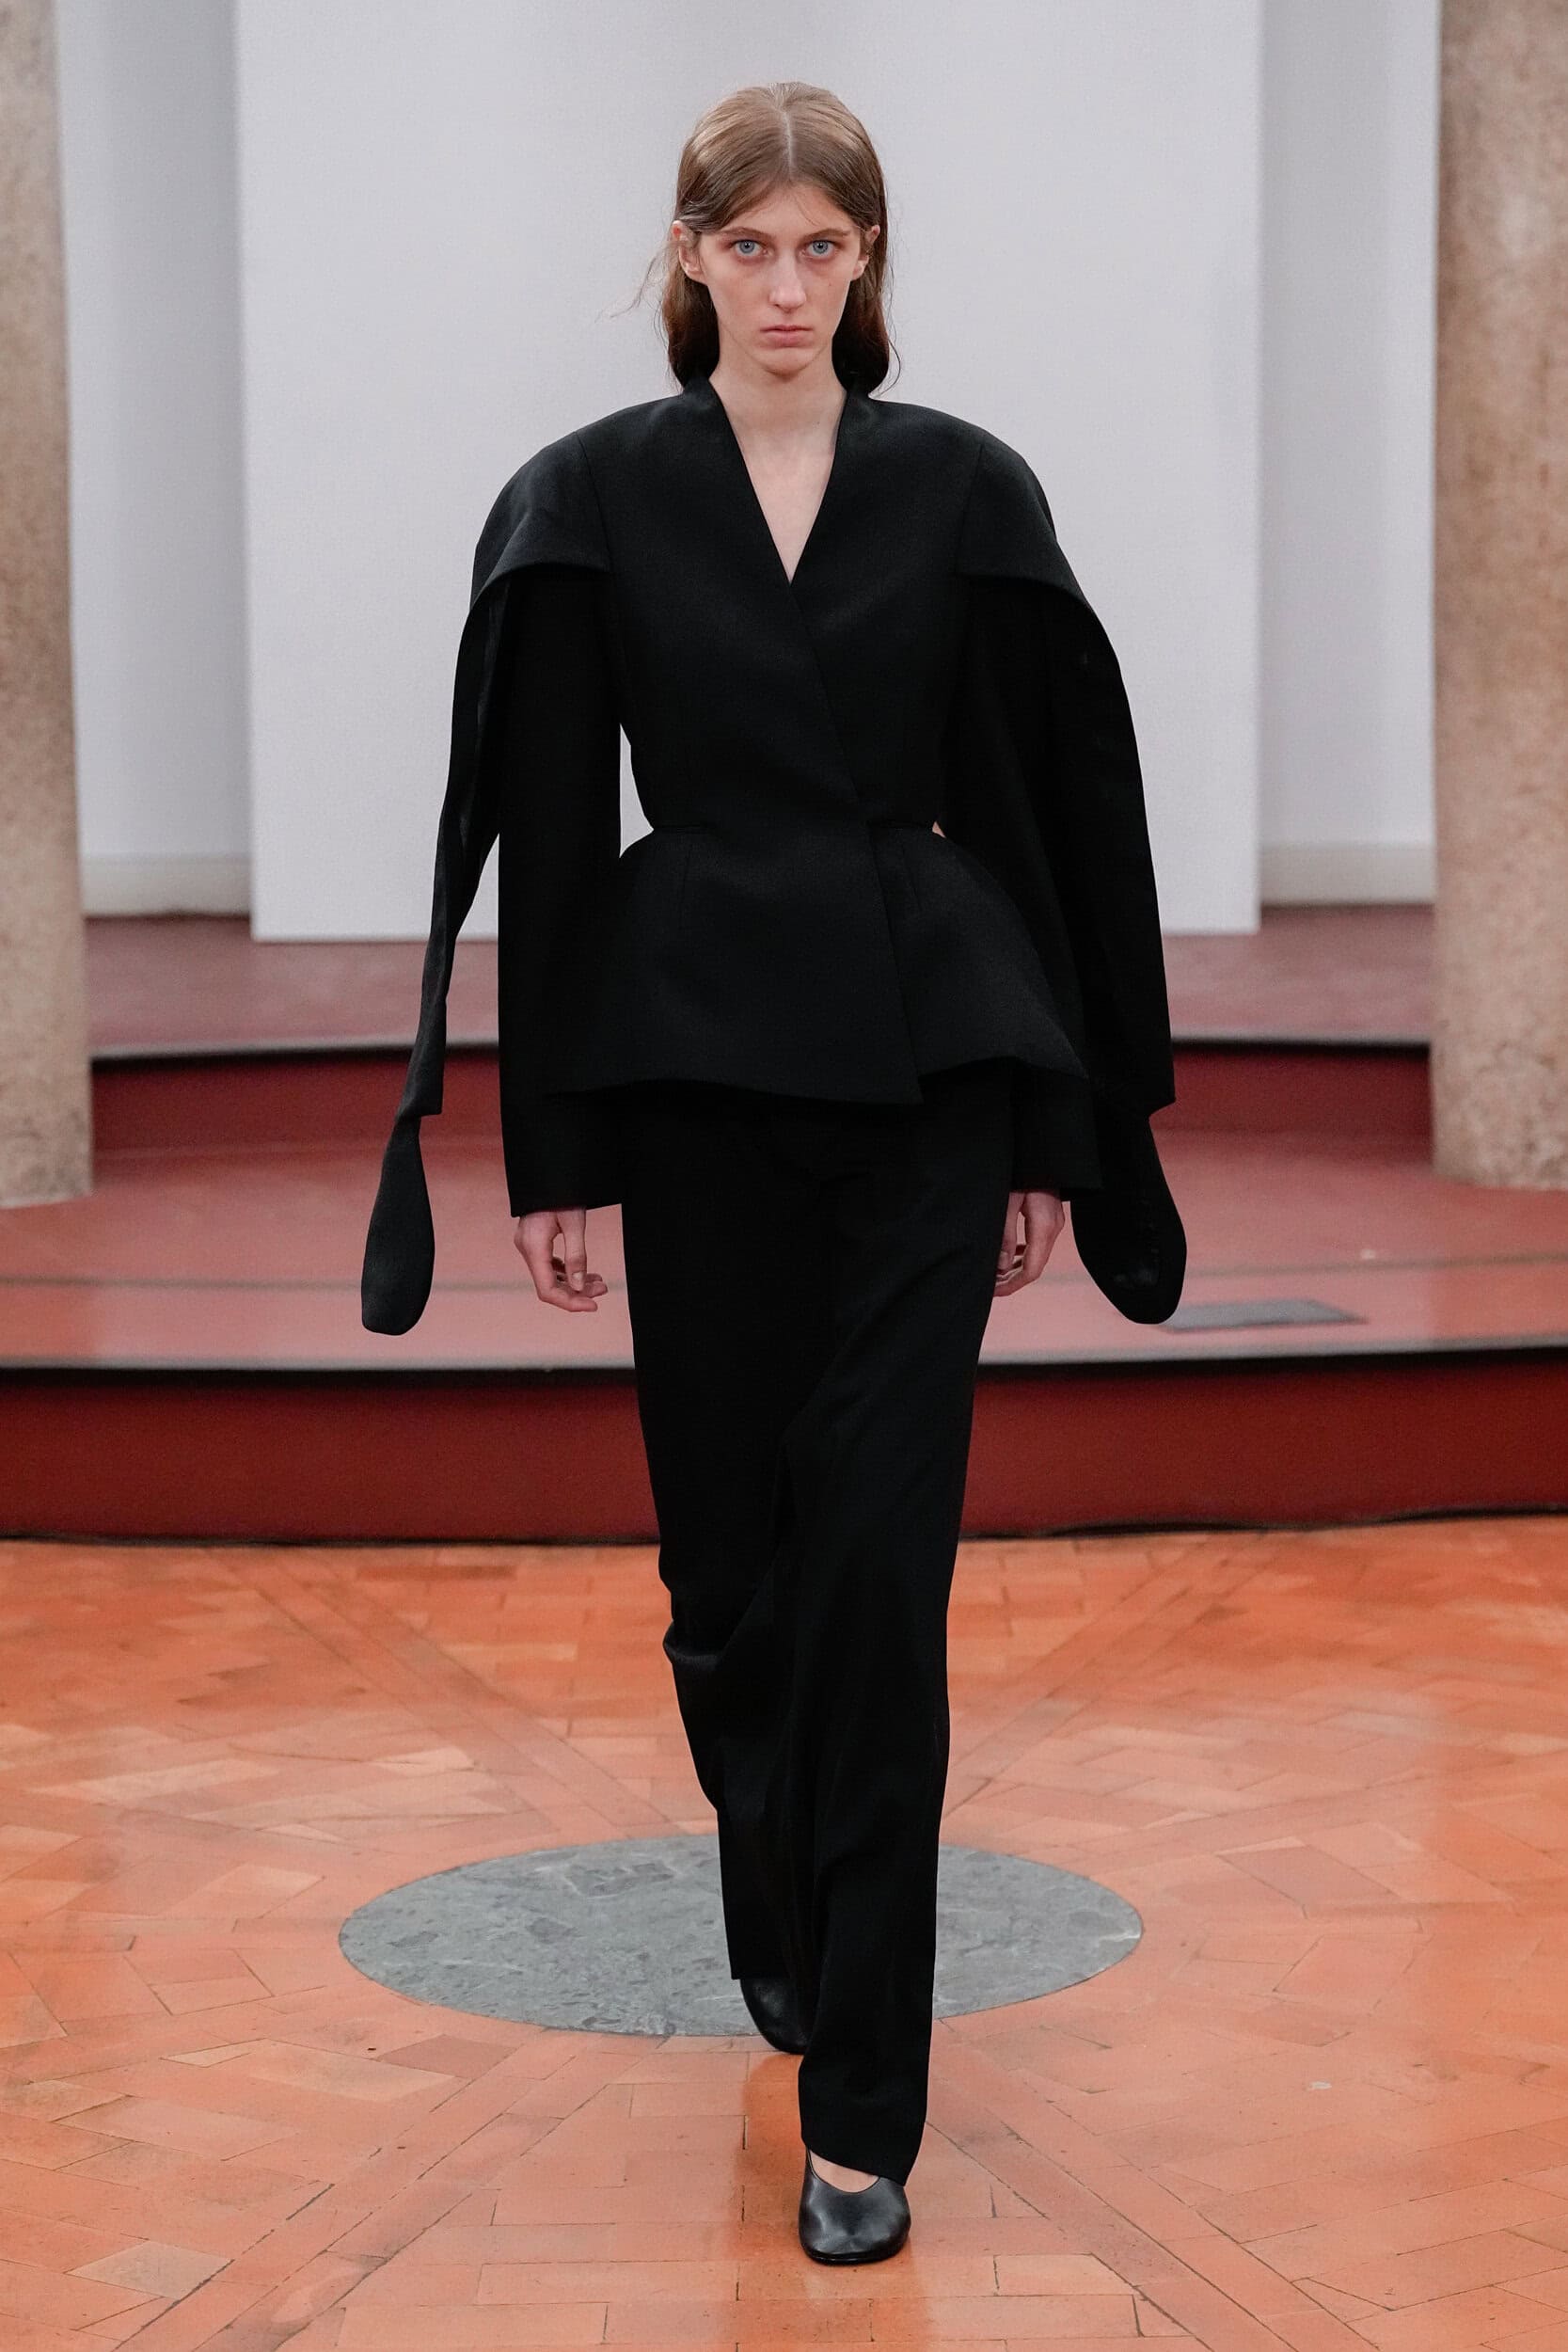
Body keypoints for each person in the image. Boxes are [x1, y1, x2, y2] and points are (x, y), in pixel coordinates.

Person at [361, 80, 1183, 2265]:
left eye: (829, 247)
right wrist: (552, 1145)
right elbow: (553, 834)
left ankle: (863, 2113)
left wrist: (1053, 1131)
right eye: (755, 246)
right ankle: (778, 1881)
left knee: (881, 1586)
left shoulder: (966, 491)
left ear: (868, 263)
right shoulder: (595, 497)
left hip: (927, 1081)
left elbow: (1037, 818)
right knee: (732, 1587)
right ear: (691, 257)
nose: (792, 285)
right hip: (698, 1077)